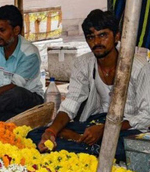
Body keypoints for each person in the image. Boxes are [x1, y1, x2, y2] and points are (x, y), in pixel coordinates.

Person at [29, 10, 150, 161]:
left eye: (103, 35)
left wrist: (106, 129)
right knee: (34, 134)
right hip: (94, 123)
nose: (97, 42)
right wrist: (52, 131)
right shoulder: (83, 63)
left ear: (117, 36)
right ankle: (90, 147)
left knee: (132, 149)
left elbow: (146, 116)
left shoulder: (139, 66)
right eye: (91, 37)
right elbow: (71, 103)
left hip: (127, 127)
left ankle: (82, 144)